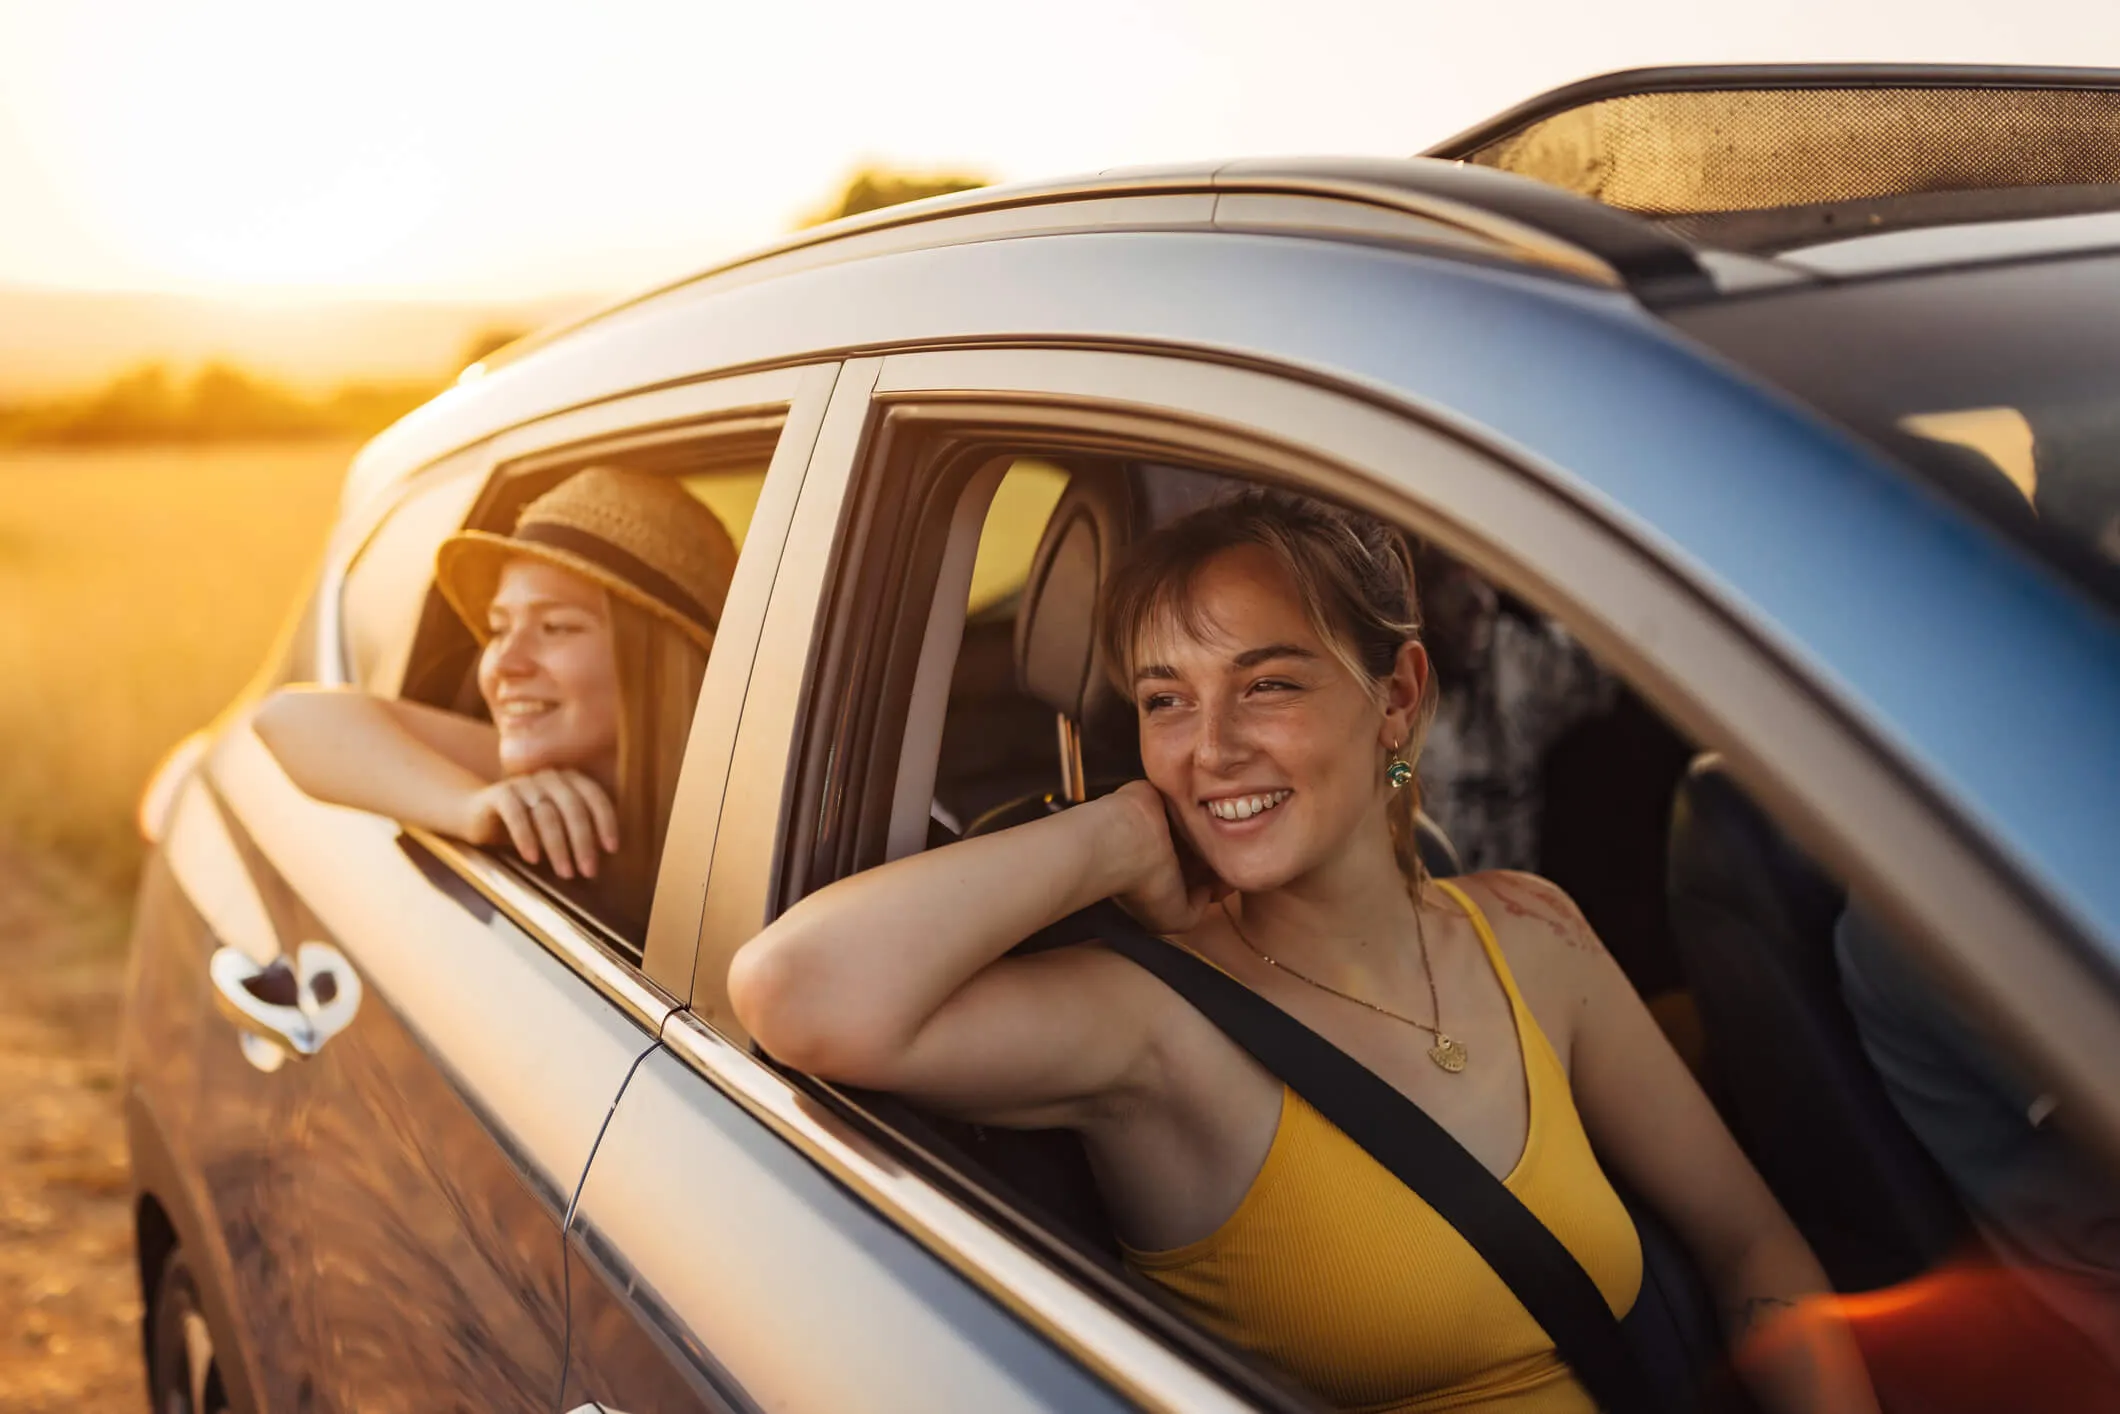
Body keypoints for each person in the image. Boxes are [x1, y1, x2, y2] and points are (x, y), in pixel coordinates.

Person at [730, 490, 1878, 1413]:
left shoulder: (1530, 934)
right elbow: (794, 989)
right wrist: (1116, 829)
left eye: (1267, 684)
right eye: (1165, 701)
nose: (1212, 747)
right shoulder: (1153, 1027)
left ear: (1396, 697)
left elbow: (1749, 1245)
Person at [256, 465, 736, 937]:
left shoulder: (753, 834)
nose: (505, 663)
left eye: (555, 627)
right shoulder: (524, 786)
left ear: (661, 662)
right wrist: (471, 808)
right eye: (499, 628)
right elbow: (285, 718)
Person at [1413, 545, 1613, 874]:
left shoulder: (1514, 663)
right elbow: (1391, 779)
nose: (1482, 602)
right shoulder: (1386, 687)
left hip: (1508, 908)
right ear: (1414, 595)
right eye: (1455, 579)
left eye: (1486, 579)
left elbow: (1608, 665)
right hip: (1416, 906)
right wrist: (1400, 781)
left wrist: (1530, 588)